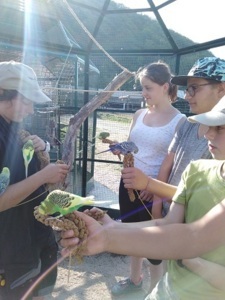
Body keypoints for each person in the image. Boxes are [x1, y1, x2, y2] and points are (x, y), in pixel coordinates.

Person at [60, 104, 225, 299]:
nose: (208, 134)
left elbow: (192, 237)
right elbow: (167, 226)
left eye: (221, 128)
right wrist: (110, 228)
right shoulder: (197, 170)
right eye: (210, 126)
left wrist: (109, 238)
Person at [111, 61, 185, 295]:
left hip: (153, 192)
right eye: (142, 87)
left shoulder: (179, 120)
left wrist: (155, 189)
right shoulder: (139, 113)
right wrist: (120, 148)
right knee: (133, 235)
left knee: (154, 247)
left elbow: (175, 164)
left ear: (165, 87)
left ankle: (155, 292)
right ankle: (134, 279)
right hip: (129, 183)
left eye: (148, 88)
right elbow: (134, 146)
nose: (143, 93)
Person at [0, 61, 69, 300]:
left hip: (33, 239)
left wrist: (40, 151)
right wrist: (43, 175)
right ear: (4, 94)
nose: (30, 110)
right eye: (26, 101)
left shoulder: (12, 125)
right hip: (10, 252)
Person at [151, 56, 225, 218]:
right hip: (167, 215)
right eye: (187, 89)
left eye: (194, 88)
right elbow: (167, 165)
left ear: (221, 89)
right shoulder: (188, 124)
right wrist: (156, 211)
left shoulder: (220, 144)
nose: (187, 96)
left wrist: (148, 184)